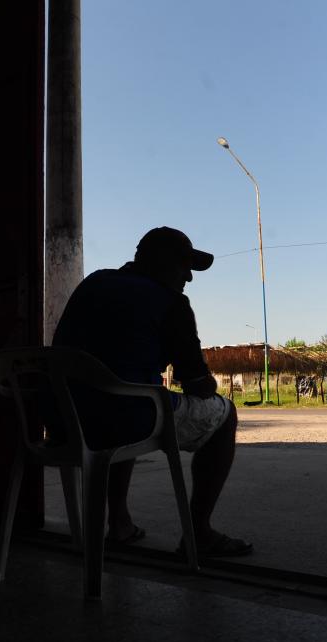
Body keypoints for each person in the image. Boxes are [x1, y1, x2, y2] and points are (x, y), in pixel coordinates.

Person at [52, 226, 252, 557]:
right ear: (163, 263)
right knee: (224, 414)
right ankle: (199, 533)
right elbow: (197, 385)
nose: (189, 277)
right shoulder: (171, 302)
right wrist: (209, 382)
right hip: (122, 420)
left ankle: (119, 522)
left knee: (126, 396)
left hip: (63, 419)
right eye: (184, 266)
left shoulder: (93, 283)